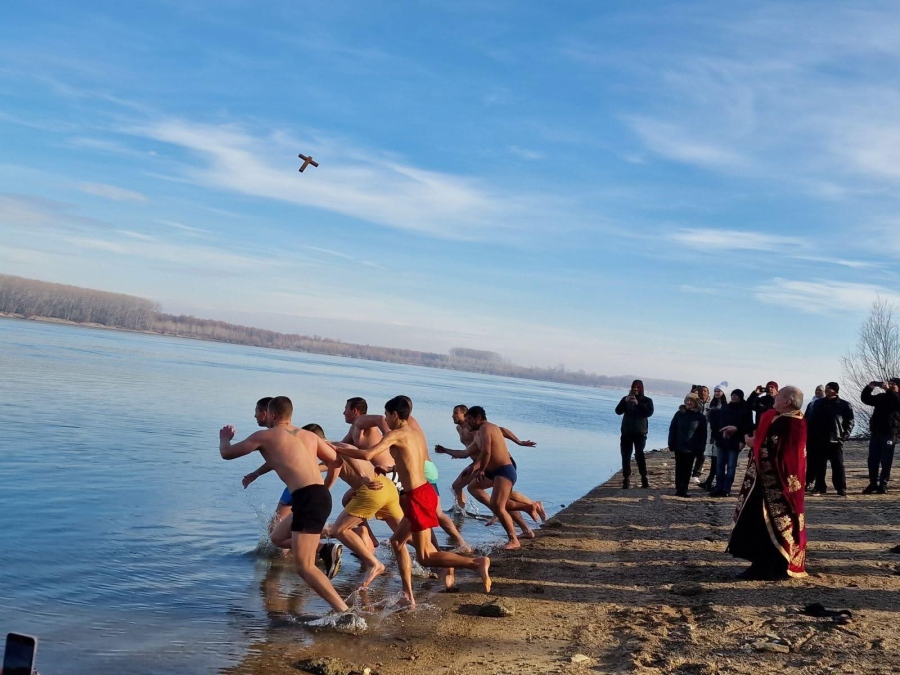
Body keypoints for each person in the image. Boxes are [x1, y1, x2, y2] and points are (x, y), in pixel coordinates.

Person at [333, 396, 491, 607]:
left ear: (395, 415)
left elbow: (368, 454)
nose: (385, 420)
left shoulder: (396, 434)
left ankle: (476, 563)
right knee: (398, 543)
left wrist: (335, 446)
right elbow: (410, 461)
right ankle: (407, 594)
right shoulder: (414, 434)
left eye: (387, 415)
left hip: (418, 496)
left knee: (425, 556)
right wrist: (389, 469)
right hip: (421, 492)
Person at [219, 396, 350, 613]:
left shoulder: (264, 436)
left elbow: (227, 453)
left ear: (271, 415)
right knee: (276, 537)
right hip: (317, 497)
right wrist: (325, 486)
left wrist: (225, 437)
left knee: (305, 567)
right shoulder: (309, 436)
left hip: (307, 498)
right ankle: (325, 549)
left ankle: (344, 612)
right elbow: (336, 461)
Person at [727, 386, 807, 580]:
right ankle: (765, 564)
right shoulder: (785, 419)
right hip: (769, 480)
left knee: (766, 522)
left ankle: (767, 566)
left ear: (787, 401)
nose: (774, 398)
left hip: (776, 482)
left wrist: (751, 443)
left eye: (779, 396)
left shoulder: (790, 423)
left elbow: (777, 453)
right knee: (760, 521)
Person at [464, 406, 524, 550]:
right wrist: (445, 450)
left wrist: (481, 470)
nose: (468, 423)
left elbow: (486, 452)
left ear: (478, 418)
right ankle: (526, 528)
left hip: (504, 470)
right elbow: (466, 452)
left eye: (470, 420)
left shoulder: (486, 428)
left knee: (498, 506)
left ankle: (514, 539)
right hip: (500, 471)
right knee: (496, 503)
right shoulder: (486, 429)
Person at [805, 382, 854, 496]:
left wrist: (844, 436)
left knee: (838, 465)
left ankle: (841, 487)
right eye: (826, 388)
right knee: (819, 465)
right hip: (819, 439)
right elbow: (810, 420)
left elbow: (850, 422)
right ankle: (819, 486)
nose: (826, 390)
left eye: (829, 388)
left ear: (835, 390)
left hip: (836, 440)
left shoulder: (844, 405)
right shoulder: (818, 403)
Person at [710, 388, 753, 497]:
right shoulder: (725, 408)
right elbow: (718, 424)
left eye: (736, 395)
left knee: (731, 466)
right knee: (719, 465)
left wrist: (742, 440)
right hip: (722, 440)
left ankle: (726, 489)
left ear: (740, 397)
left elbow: (748, 427)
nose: (733, 397)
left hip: (735, 441)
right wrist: (716, 437)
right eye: (732, 395)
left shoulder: (745, 410)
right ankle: (718, 487)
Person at [860, 378, 900, 494]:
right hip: (876, 432)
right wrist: (869, 388)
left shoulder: (897, 397)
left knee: (886, 460)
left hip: (889, 433)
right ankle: (873, 483)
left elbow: (897, 403)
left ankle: (883, 484)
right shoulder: (882, 397)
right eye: (890, 384)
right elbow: (866, 399)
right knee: (873, 460)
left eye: (894, 384)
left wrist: (888, 390)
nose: (891, 386)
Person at [615, 380, 654, 488]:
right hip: (626, 432)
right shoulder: (626, 399)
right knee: (625, 455)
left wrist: (638, 404)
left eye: (638, 387)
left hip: (640, 433)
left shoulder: (647, 401)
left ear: (641, 388)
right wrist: (624, 401)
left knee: (639, 454)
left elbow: (648, 413)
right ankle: (626, 478)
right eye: (634, 387)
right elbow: (618, 411)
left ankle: (644, 477)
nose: (636, 389)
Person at [668, 393, 708, 497]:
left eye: (691, 401)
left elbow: (703, 434)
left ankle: (684, 489)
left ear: (695, 403)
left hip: (692, 447)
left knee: (687, 469)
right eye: (687, 400)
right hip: (679, 445)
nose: (689, 402)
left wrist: (701, 448)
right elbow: (672, 429)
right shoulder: (679, 414)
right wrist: (671, 443)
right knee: (679, 468)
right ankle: (678, 488)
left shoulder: (700, 417)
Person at [699, 383, 727, 491]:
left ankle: (714, 482)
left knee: (718, 461)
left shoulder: (724, 406)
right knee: (714, 460)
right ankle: (710, 481)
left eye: (718, 391)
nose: (716, 393)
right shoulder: (712, 404)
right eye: (715, 391)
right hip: (711, 435)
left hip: (719, 435)